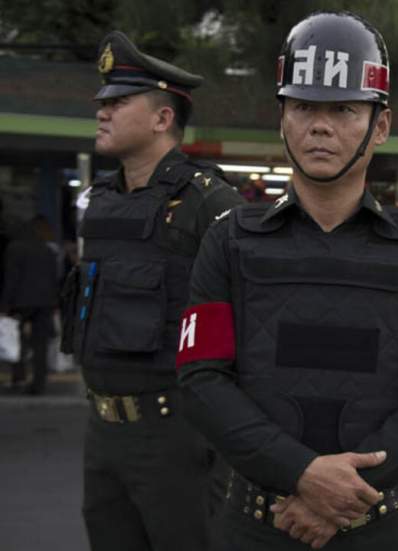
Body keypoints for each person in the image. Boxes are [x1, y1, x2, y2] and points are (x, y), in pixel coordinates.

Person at [175, 12, 398, 550]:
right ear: (281, 118)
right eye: (304, 106)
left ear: (380, 126)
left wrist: (344, 495)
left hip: (379, 526)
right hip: (256, 527)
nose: (321, 126)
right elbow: (201, 381)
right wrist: (303, 474)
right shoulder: (228, 241)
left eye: (344, 110)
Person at [60, 31, 245, 550]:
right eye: (103, 103)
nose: (102, 112)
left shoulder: (209, 203)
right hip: (102, 433)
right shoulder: (100, 201)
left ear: (164, 119)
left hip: (175, 434)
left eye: (118, 103)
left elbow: (249, 324)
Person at [1, 216, 59, 395]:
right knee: (40, 344)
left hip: (21, 302)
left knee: (16, 340)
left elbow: (12, 278)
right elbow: (54, 277)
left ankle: (18, 377)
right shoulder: (47, 250)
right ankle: (38, 384)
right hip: (44, 302)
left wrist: (4, 305)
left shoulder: (15, 248)